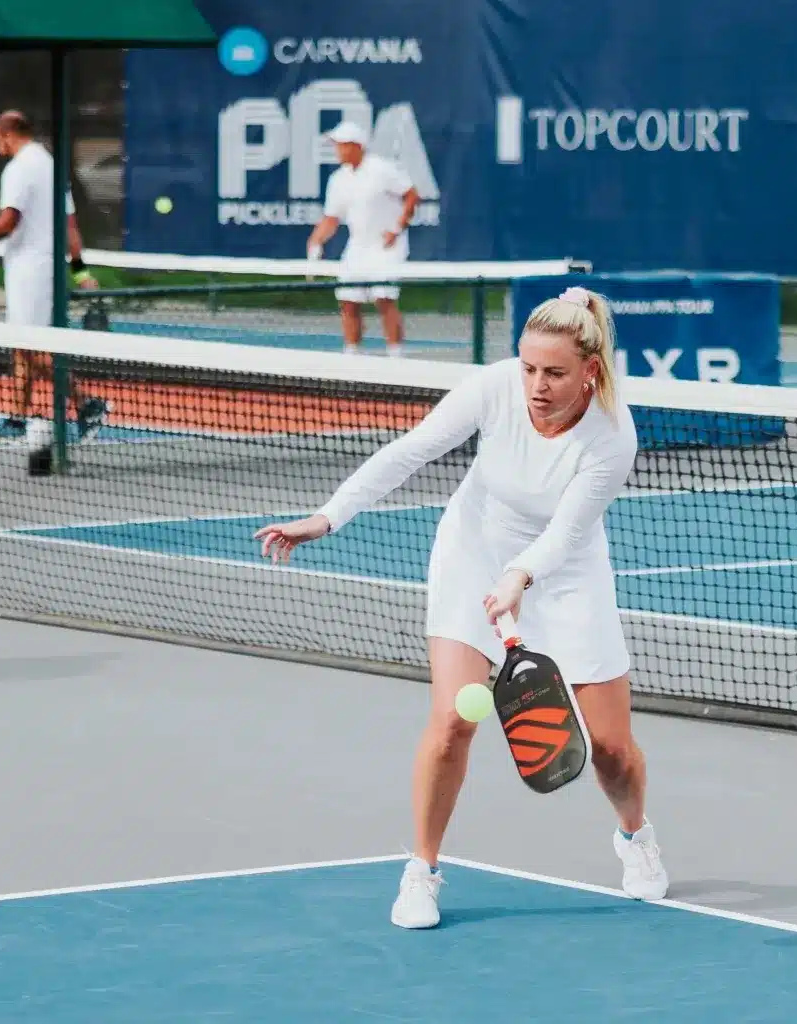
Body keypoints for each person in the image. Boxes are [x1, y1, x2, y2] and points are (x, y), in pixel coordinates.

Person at [254, 286, 669, 929]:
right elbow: (410, 451)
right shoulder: (495, 388)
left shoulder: (612, 437)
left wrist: (520, 579)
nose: (535, 384)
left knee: (612, 749)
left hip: (564, 573)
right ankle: (421, 871)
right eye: (529, 367)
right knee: (452, 722)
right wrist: (329, 516)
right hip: (474, 549)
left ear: (591, 371)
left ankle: (635, 835)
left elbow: (561, 536)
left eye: (554, 373)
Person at [0, 110, 109, 445]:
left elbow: (9, 221)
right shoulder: (51, 165)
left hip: (30, 272)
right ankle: (19, 419)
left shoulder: (20, 168)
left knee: (33, 349)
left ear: (8, 134)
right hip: (40, 270)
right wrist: (80, 271)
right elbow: (70, 227)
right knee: (22, 349)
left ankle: (87, 404)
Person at [306, 121, 420, 358]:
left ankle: (396, 355)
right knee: (348, 300)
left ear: (356, 146)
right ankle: (352, 354)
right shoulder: (338, 179)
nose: (337, 151)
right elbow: (331, 218)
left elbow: (411, 195)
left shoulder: (382, 169)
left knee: (384, 298)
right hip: (358, 246)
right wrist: (315, 242)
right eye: (336, 146)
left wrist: (396, 229)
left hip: (388, 246)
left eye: (341, 145)